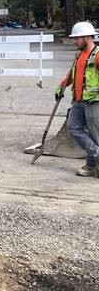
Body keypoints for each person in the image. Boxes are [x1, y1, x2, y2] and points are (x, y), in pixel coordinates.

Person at [55, 21, 99, 177]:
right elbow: (72, 73)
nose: (75, 41)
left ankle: (92, 166)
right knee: (74, 128)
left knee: (95, 134)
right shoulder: (79, 54)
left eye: (77, 38)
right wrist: (62, 85)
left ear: (87, 37)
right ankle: (96, 154)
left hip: (94, 101)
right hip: (78, 101)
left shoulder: (98, 55)